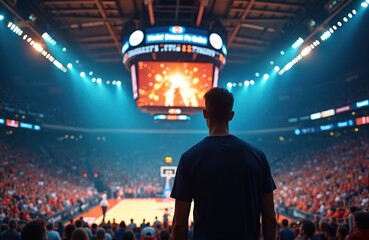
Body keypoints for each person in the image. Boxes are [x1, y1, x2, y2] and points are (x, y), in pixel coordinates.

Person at [170, 87, 277, 240]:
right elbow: (270, 217)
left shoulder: (189, 158)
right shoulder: (258, 156)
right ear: (231, 115)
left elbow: (180, 223)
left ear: (205, 113)